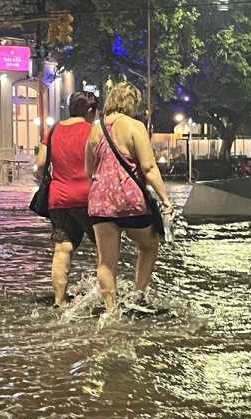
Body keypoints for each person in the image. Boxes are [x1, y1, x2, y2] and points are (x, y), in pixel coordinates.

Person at [84, 82, 173, 312]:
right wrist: (165, 199)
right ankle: (138, 297)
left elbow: (88, 171)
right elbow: (149, 168)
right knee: (149, 244)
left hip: (101, 203)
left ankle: (110, 309)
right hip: (131, 202)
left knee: (106, 261)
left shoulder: (96, 129)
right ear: (132, 102)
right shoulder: (135, 126)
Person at [35, 91, 99, 308]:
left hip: (58, 199)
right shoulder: (93, 131)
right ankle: (107, 299)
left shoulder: (53, 131)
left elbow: (41, 164)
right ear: (90, 111)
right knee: (104, 248)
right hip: (88, 199)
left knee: (62, 248)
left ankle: (59, 301)